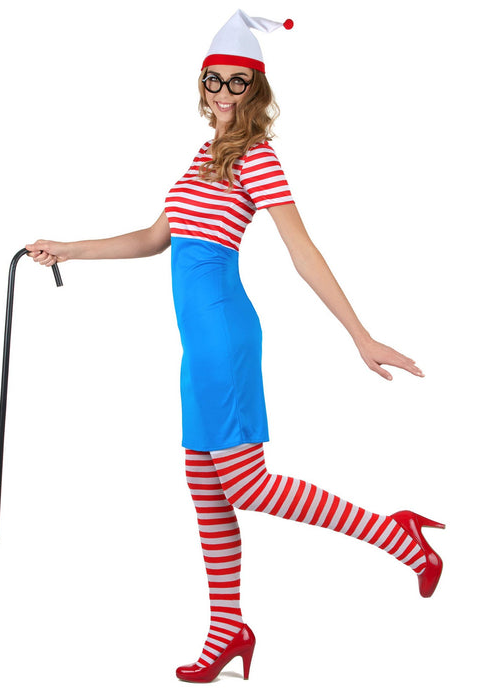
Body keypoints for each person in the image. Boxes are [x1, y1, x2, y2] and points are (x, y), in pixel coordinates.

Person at [26, 10, 445, 684]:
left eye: (238, 82)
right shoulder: (204, 156)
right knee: (206, 484)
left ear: (256, 88)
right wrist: (69, 249)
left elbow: (301, 250)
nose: (223, 92)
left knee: (245, 483)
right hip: (195, 346)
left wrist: (359, 334)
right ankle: (228, 627)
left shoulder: (256, 157)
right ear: (202, 84)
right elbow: (155, 238)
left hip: (224, 335)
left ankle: (397, 535)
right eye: (214, 80)